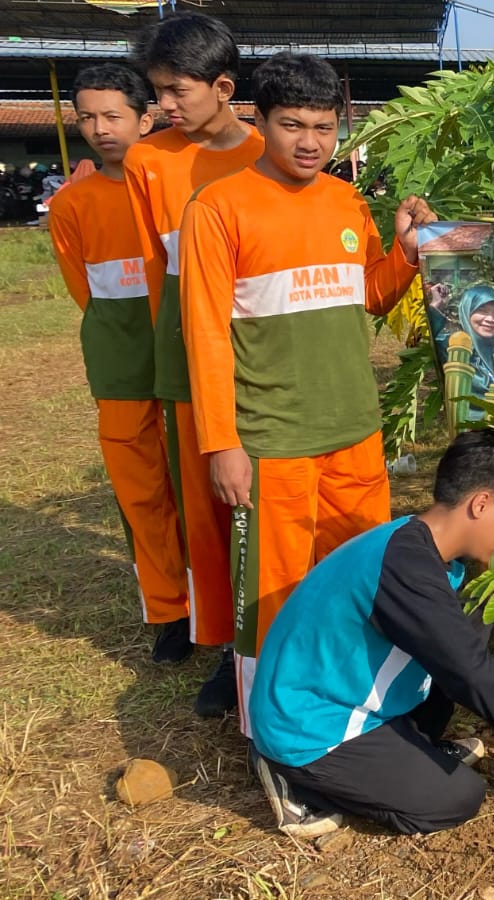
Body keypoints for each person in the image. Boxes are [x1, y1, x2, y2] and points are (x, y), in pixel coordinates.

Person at [180, 51, 435, 736]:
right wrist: (223, 443)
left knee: (361, 578)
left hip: (354, 430)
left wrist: (406, 251)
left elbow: (373, 297)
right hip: (272, 441)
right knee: (273, 596)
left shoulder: (346, 202)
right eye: (292, 124)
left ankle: (359, 707)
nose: (310, 142)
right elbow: (203, 336)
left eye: (324, 127)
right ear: (257, 120)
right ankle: (272, 733)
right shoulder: (219, 209)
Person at [248, 430, 494, 837]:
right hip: (309, 723)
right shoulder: (405, 565)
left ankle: (408, 750)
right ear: (481, 503)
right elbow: (467, 668)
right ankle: (295, 776)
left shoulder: (418, 546)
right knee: (456, 796)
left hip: (342, 696)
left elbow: (459, 654)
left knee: (473, 624)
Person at [124, 12, 267, 715]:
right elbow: (160, 274)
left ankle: (275, 631)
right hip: (190, 360)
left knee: (266, 503)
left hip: (268, 354)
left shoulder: (275, 151)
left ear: (224, 86)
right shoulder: (149, 162)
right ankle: (223, 644)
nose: (165, 107)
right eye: (156, 93)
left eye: (176, 91)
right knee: (206, 513)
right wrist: (170, 367)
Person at [48, 65, 188, 662]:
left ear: (145, 117)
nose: (100, 128)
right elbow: (85, 292)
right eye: (87, 116)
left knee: (195, 483)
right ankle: (169, 611)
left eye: (113, 115)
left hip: (185, 356)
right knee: (141, 491)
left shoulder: (178, 185)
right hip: (119, 364)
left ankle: (215, 596)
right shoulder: (72, 205)